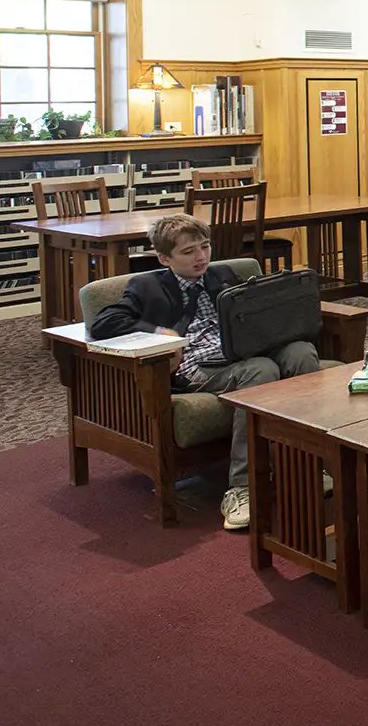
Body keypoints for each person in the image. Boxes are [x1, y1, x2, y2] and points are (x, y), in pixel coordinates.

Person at [90, 214, 320, 532]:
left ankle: (308, 464)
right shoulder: (146, 285)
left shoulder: (222, 274)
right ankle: (243, 488)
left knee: (302, 352)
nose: (201, 257)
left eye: (205, 247)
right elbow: (102, 324)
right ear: (164, 257)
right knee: (261, 371)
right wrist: (160, 332)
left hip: (242, 349)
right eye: (188, 252)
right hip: (198, 365)